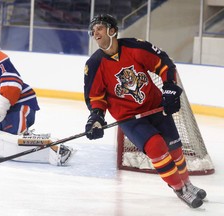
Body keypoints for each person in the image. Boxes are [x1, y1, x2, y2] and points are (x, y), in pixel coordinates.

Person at [84, 14, 206, 208]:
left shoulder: (135, 47)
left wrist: (170, 88)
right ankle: (179, 188)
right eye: (93, 30)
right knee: (156, 146)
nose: (95, 32)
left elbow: (163, 63)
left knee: (175, 148)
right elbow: (95, 97)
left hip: (155, 106)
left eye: (99, 27)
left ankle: (187, 183)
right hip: (129, 118)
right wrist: (96, 117)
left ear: (112, 31)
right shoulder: (94, 64)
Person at [0, 36, 74, 166]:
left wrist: (1, 105)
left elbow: (13, 83)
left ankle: (57, 148)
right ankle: (27, 136)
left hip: (20, 105)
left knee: (14, 137)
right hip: (10, 108)